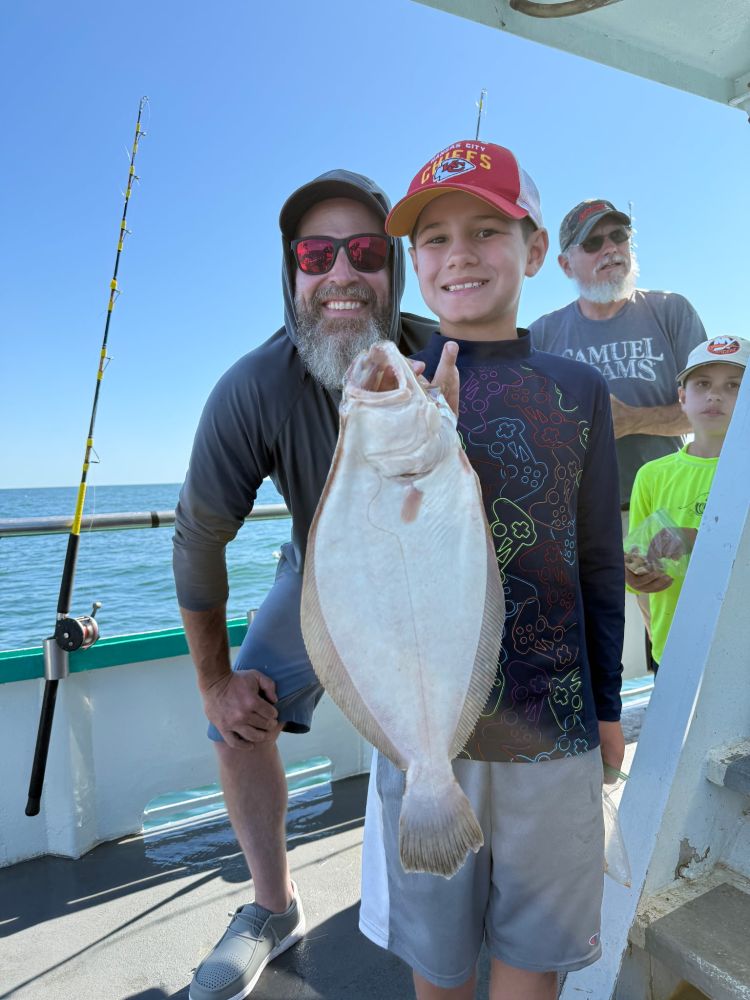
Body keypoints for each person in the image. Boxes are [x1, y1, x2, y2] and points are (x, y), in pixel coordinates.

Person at [358, 141, 625, 1000]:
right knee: (437, 969)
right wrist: (396, 421)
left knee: (530, 963)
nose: (459, 254)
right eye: (432, 239)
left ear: (536, 250)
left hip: (554, 724)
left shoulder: (577, 387)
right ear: (411, 264)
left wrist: (611, 707)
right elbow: (360, 565)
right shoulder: (383, 391)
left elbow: (595, 560)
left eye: (485, 230)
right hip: (426, 735)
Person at [172, 169, 437, 1000]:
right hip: (318, 571)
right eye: (316, 255)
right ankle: (271, 905)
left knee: (451, 728)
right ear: (291, 275)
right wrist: (215, 682)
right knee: (237, 723)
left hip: (441, 575)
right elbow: (198, 538)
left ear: (392, 270)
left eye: (364, 251)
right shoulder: (255, 387)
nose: (340, 274)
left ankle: (465, 888)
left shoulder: (449, 355)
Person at [529, 199, 707, 671]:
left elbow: (710, 413)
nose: (610, 249)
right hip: (584, 519)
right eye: (593, 242)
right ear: (566, 262)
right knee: (592, 648)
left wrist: (631, 420)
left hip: (665, 510)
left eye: (619, 236)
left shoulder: (671, 311)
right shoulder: (544, 333)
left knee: (674, 638)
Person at [625, 335, 748, 672]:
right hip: (674, 652)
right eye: (703, 383)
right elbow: (636, 563)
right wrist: (636, 575)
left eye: (735, 385)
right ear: (682, 397)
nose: (715, 394)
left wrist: (699, 539)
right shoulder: (651, 475)